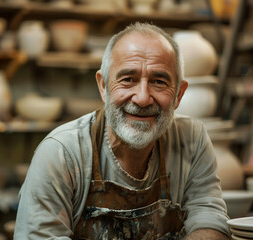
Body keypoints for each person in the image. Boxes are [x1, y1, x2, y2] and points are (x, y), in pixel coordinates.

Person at [14, 22, 230, 240]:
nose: (143, 97)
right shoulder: (60, 154)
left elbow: (210, 220)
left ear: (179, 94)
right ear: (103, 86)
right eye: (128, 79)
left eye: (159, 81)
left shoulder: (191, 140)